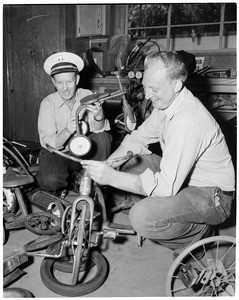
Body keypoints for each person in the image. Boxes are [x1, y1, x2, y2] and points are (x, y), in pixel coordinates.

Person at [81, 51, 235, 256]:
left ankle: (197, 235)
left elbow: (166, 187)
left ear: (176, 85)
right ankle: (162, 210)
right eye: (145, 86)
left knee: (142, 217)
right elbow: (137, 139)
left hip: (212, 196)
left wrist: (113, 177)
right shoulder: (166, 104)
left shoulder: (187, 121)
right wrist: (110, 164)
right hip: (186, 178)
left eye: (154, 89)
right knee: (128, 163)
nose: (147, 95)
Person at [37, 52, 112, 194]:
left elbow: (99, 130)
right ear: (53, 82)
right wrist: (67, 131)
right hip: (59, 152)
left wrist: (99, 115)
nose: (65, 88)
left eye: (69, 82)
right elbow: (48, 143)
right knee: (50, 180)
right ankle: (66, 184)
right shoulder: (48, 103)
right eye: (59, 82)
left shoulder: (86, 95)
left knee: (103, 138)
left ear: (77, 79)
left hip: (84, 149)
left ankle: (94, 182)